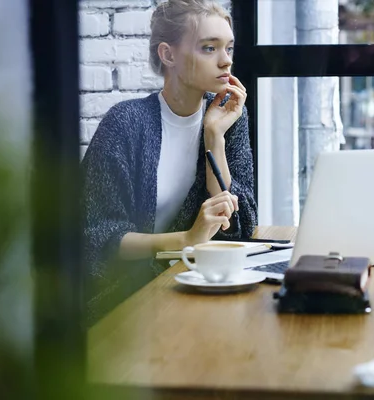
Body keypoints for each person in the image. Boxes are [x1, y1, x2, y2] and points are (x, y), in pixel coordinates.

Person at [81, 0, 258, 324]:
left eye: (229, 48)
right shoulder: (125, 124)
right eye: (209, 48)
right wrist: (187, 240)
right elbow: (96, 237)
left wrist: (214, 135)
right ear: (168, 54)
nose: (226, 60)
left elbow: (237, 228)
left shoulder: (229, 117)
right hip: (124, 300)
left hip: (197, 290)